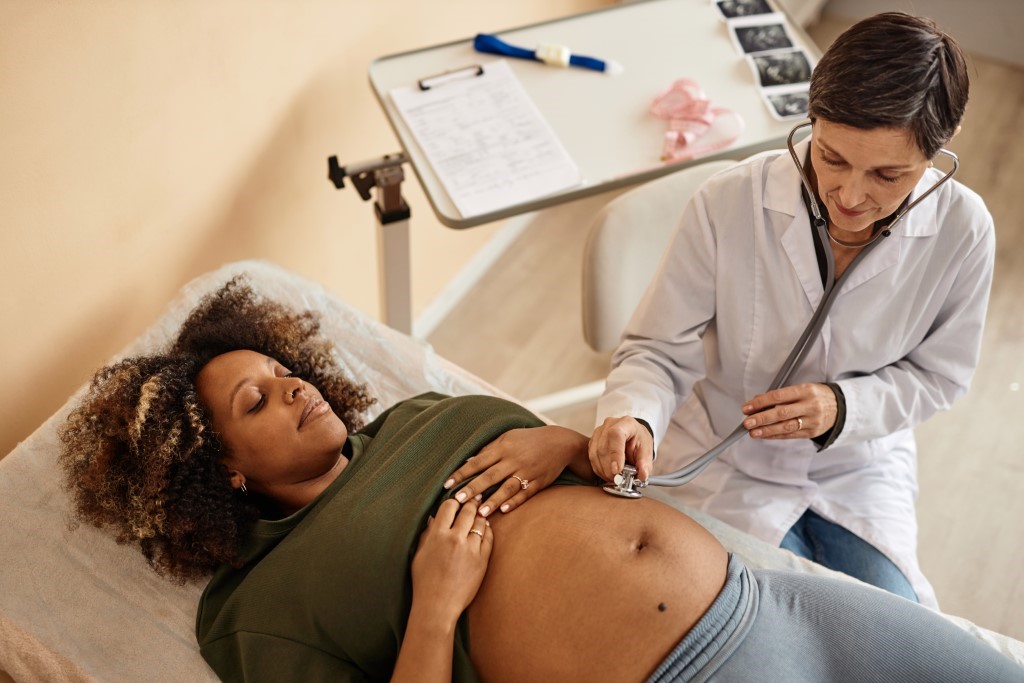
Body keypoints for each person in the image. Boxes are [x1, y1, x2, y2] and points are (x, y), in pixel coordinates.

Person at [58, 277, 1022, 682]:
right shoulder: (256, 604)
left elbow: (597, 481)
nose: (294, 387)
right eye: (257, 403)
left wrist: (564, 442)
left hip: (773, 604)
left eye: (280, 371)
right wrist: (435, 607)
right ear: (219, 469)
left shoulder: (417, 418)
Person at [589, 12, 994, 608]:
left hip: (856, 464)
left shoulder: (963, 230)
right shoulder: (728, 203)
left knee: (889, 628)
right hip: (723, 456)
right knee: (751, 623)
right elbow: (656, 349)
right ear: (811, 121)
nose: (851, 197)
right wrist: (635, 417)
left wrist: (843, 407)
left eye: (888, 175)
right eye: (831, 158)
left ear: (937, 153)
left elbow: (941, 376)